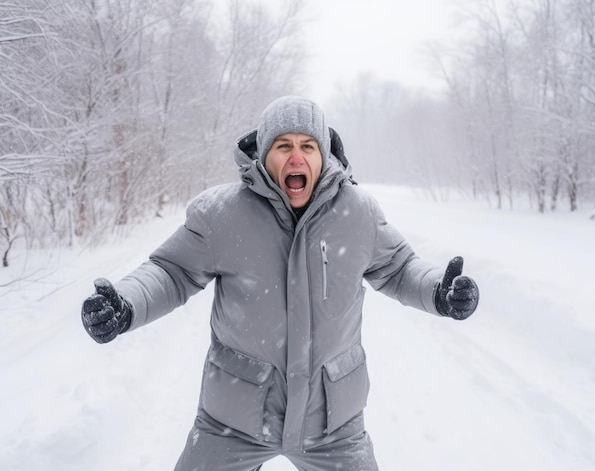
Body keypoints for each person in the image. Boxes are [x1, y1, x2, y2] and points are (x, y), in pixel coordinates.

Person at [81, 96, 479, 471]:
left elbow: (399, 268)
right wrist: (127, 304)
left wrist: (437, 292)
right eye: (283, 145)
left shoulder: (357, 213)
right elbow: (172, 271)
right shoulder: (222, 214)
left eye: (308, 146)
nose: (296, 156)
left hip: (333, 422)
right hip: (233, 418)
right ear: (264, 155)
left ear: (323, 157)